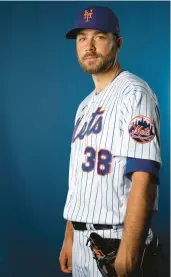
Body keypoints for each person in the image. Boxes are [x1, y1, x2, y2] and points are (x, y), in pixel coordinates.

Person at [59, 5, 161, 277]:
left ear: (118, 43)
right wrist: (70, 235)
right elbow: (82, 180)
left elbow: (144, 176)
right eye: (82, 38)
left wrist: (129, 256)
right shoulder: (84, 106)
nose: (88, 46)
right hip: (82, 241)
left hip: (117, 241)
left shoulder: (134, 93)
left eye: (99, 37)